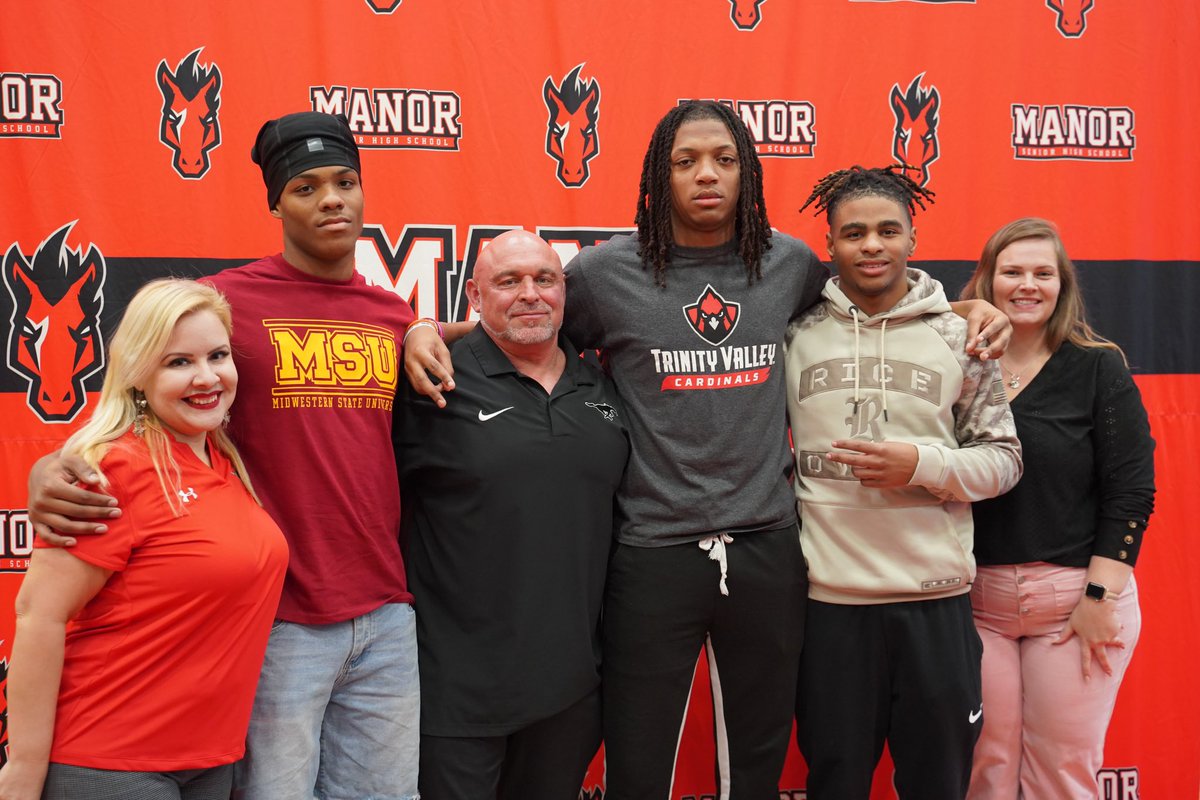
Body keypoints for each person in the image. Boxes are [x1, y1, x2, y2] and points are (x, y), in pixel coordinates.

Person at [26, 112, 455, 800]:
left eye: (346, 182)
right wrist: (49, 467)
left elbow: (448, 339)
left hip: (384, 613)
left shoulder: (392, 312)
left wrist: (424, 325)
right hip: (279, 620)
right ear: (276, 203)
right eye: (307, 188)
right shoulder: (228, 301)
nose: (332, 200)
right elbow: (140, 388)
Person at [786, 165, 1023, 799]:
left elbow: (1004, 460)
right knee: (834, 782)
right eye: (853, 232)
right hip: (829, 608)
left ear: (913, 238)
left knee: (938, 783)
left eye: (888, 230)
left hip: (934, 603)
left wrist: (922, 467)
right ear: (830, 245)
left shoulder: (959, 336)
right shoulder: (795, 333)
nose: (871, 245)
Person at [0, 279, 288, 800]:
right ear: (137, 375)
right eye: (177, 362)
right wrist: (21, 772)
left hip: (208, 763)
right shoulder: (114, 468)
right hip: (112, 765)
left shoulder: (223, 460)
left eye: (217, 355)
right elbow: (39, 615)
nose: (206, 377)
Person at [394, 230, 629, 799]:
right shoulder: (431, 382)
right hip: (457, 693)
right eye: (508, 281)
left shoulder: (600, 382)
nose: (530, 294)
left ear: (564, 291)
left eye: (544, 279)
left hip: (569, 690)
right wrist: (420, 328)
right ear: (474, 295)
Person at [960, 218, 1154, 800]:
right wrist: (957, 312)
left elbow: (1131, 492)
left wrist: (1100, 599)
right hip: (973, 603)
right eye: (1012, 271)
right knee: (982, 767)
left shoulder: (1098, 366)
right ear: (987, 282)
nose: (1027, 285)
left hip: (1074, 604)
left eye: (1043, 273)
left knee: (1062, 774)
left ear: (1062, 284)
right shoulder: (956, 362)